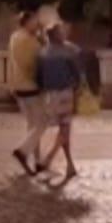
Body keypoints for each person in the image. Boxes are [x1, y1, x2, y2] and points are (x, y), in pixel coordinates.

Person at [36, 21, 85, 186]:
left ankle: (56, 161)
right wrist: (78, 92)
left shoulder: (43, 52)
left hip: (50, 94)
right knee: (65, 129)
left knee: (63, 129)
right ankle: (57, 160)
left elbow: (39, 78)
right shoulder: (70, 51)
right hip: (65, 92)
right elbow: (77, 74)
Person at [8, 6, 50, 174]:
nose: (36, 25)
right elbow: (41, 59)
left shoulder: (14, 37)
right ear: (26, 23)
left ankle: (37, 160)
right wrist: (43, 39)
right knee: (43, 122)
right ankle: (23, 151)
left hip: (18, 86)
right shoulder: (31, 42)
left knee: (33, 126)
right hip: (31, 86)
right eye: (34, 22)